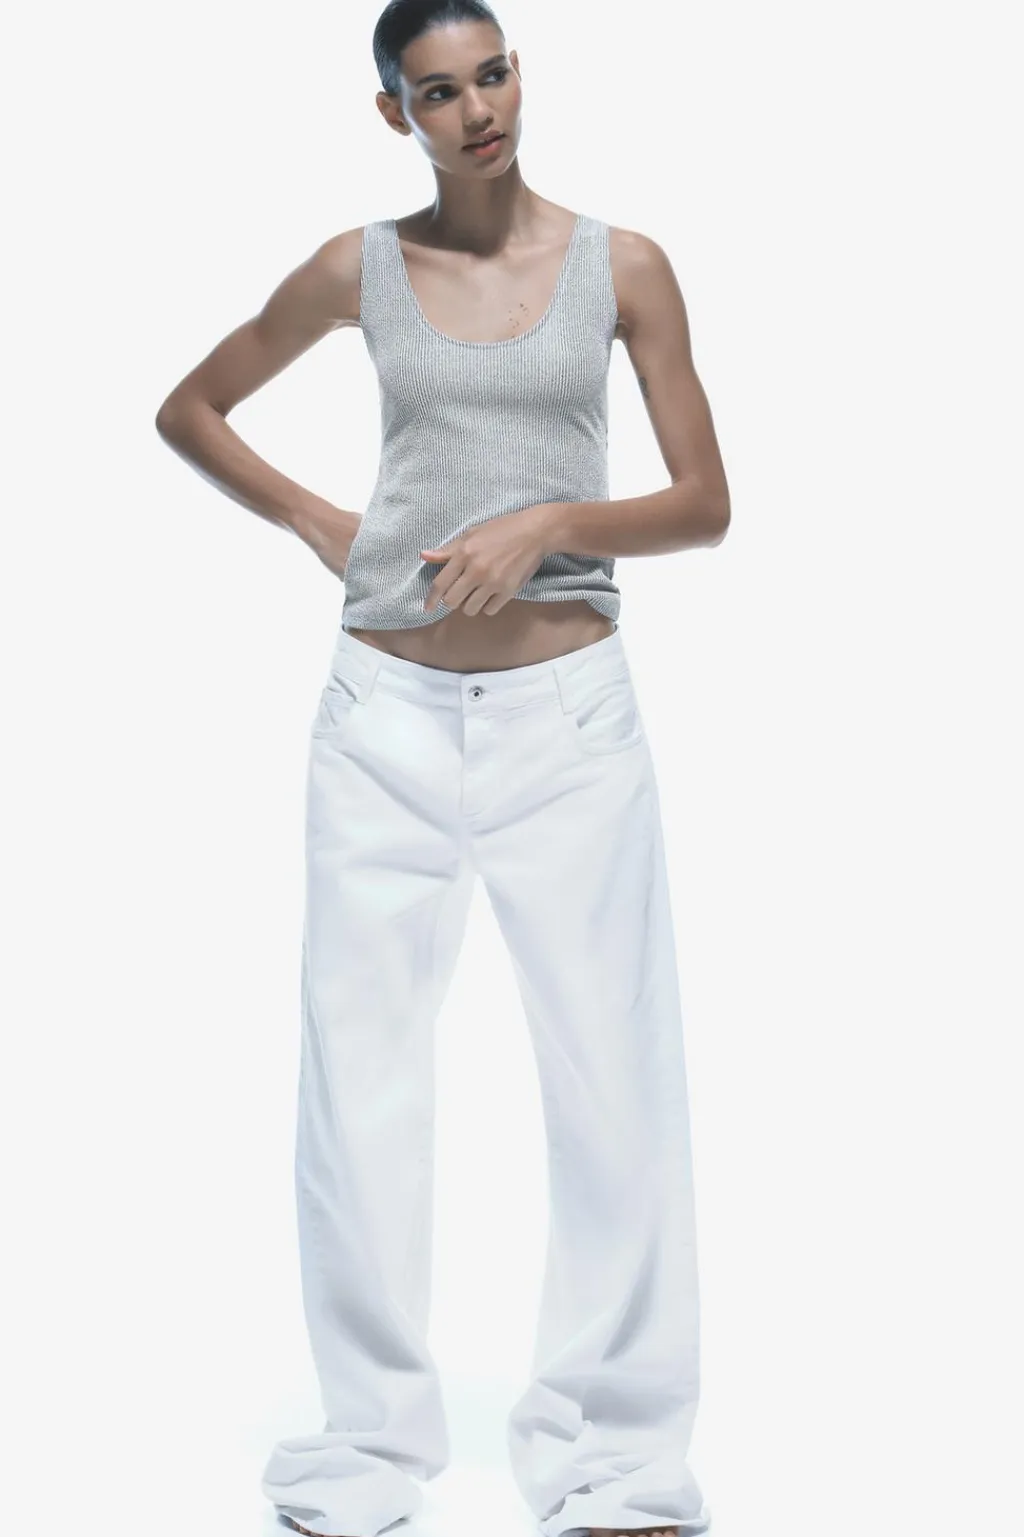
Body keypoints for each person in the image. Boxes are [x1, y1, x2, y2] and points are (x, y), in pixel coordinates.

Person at [155, 2, 730, 1534]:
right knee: (361, 1088)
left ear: (518, 78)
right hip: (385, 720)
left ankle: (617, 1459)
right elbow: (190, 406)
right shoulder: (357, 269)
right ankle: (367, 1447)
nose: (478, 109)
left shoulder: (624, 266)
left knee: (614, 1089)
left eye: (493, 75)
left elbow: (705, 503)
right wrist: (319, 521)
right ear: (393, 116)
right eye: (438, 92)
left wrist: (552, 523)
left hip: (571, 723)